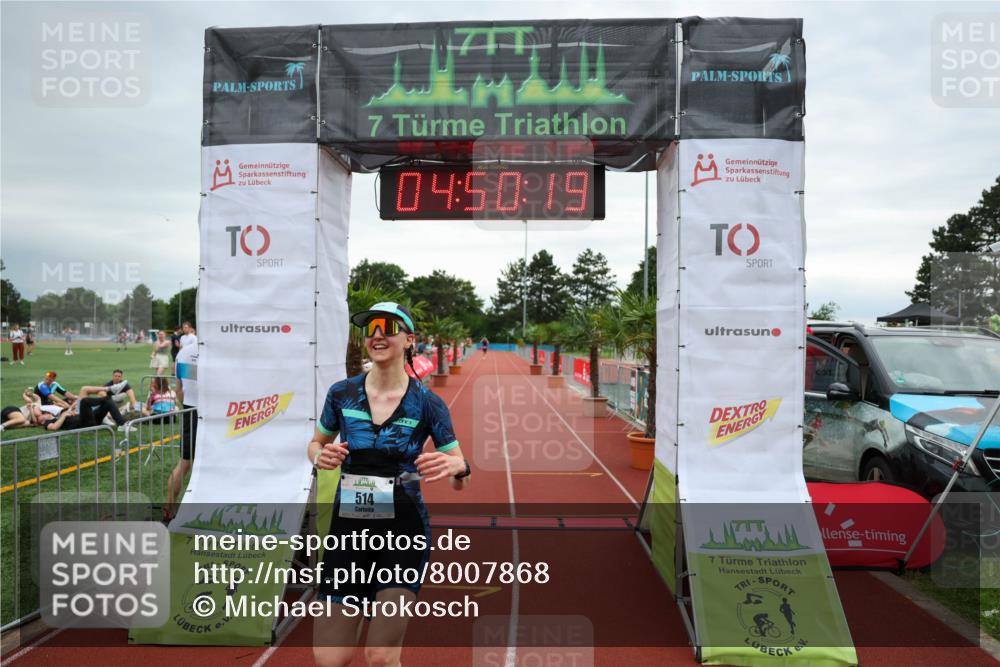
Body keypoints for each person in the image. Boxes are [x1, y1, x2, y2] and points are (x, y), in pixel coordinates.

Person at [309, 301, 469, 667]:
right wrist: (320, 455)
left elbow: (458, 466)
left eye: (388, 327)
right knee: (329, 659)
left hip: (403, 532)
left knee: (380, 656)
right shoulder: (341, 393)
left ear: (410, 339)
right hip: (348, 532)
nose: (377, 334)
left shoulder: (428, 404)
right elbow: (316, 442)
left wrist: (457, 466)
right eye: (370, 328)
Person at [165, 336, 199, 522]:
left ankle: (169, 508)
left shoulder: (184, 352)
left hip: (189, 409)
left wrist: (186, 405)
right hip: (213, 414)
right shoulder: (218, 352)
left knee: (185, 463)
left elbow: (178, 389)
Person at [45, 395, 127, 431]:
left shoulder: (60, 413)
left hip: (91, 419)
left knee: (108, 403)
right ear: (40, 420)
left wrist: (71, 411)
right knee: (85, 401)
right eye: (44, 414)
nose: (46, 413)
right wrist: (64, 415)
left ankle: (122, 424)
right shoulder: (49, 422)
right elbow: (53, 428)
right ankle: (107, 398)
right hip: (84, 425)